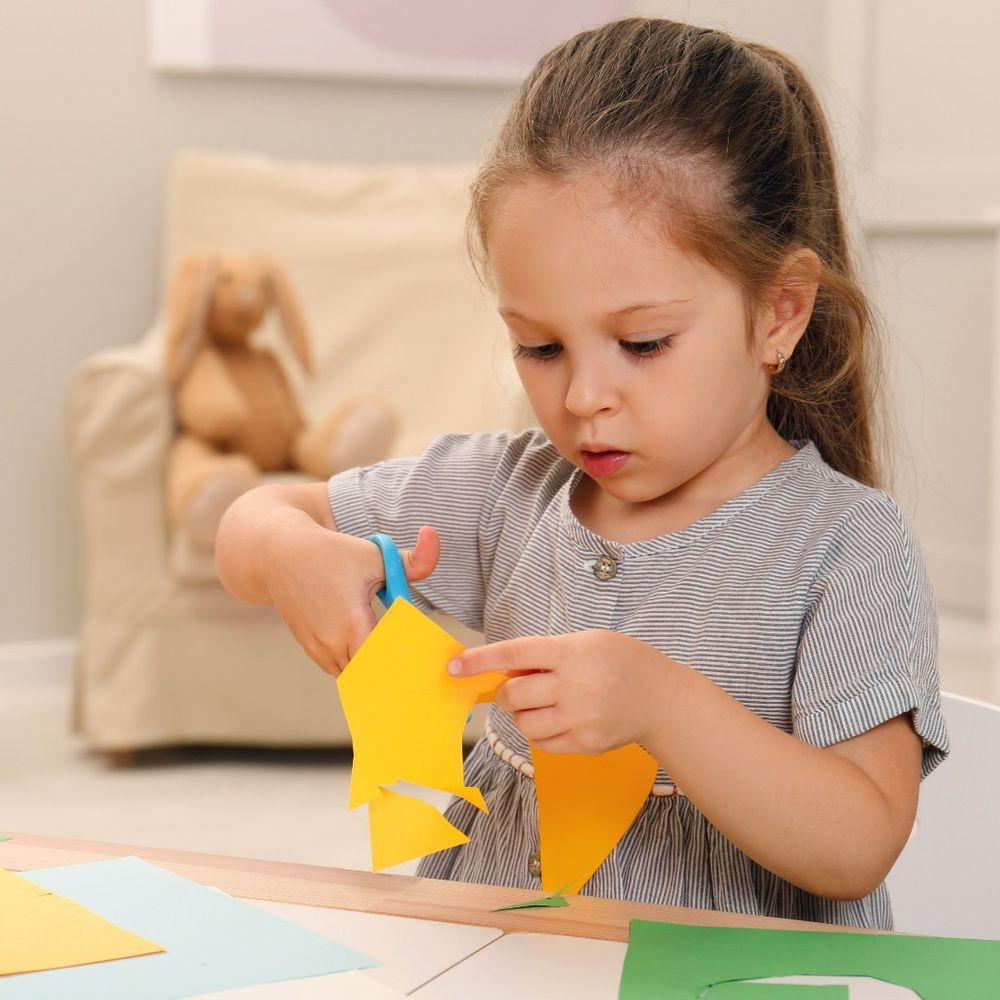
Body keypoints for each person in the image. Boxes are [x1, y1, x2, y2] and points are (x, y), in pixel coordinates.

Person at [216, 17, 949, 929]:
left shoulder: (846, 544)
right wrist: (290, 552)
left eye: (643, 343)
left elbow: (858, 844)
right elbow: (253, 519)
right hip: (500, 960)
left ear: (780, 313)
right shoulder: (506, 491)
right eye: (541, 346)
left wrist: (662, 705)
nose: (585, 396)